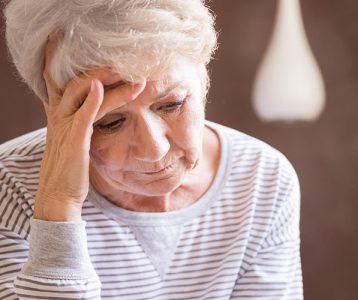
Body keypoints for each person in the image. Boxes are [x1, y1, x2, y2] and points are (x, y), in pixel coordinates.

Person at [0, 0, 303, 299]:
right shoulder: (9, 188)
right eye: (110, 122)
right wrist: (58, 205)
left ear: (204, 77)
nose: (154, 150)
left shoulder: (264, 179)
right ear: (55, 111)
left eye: (172, 105)